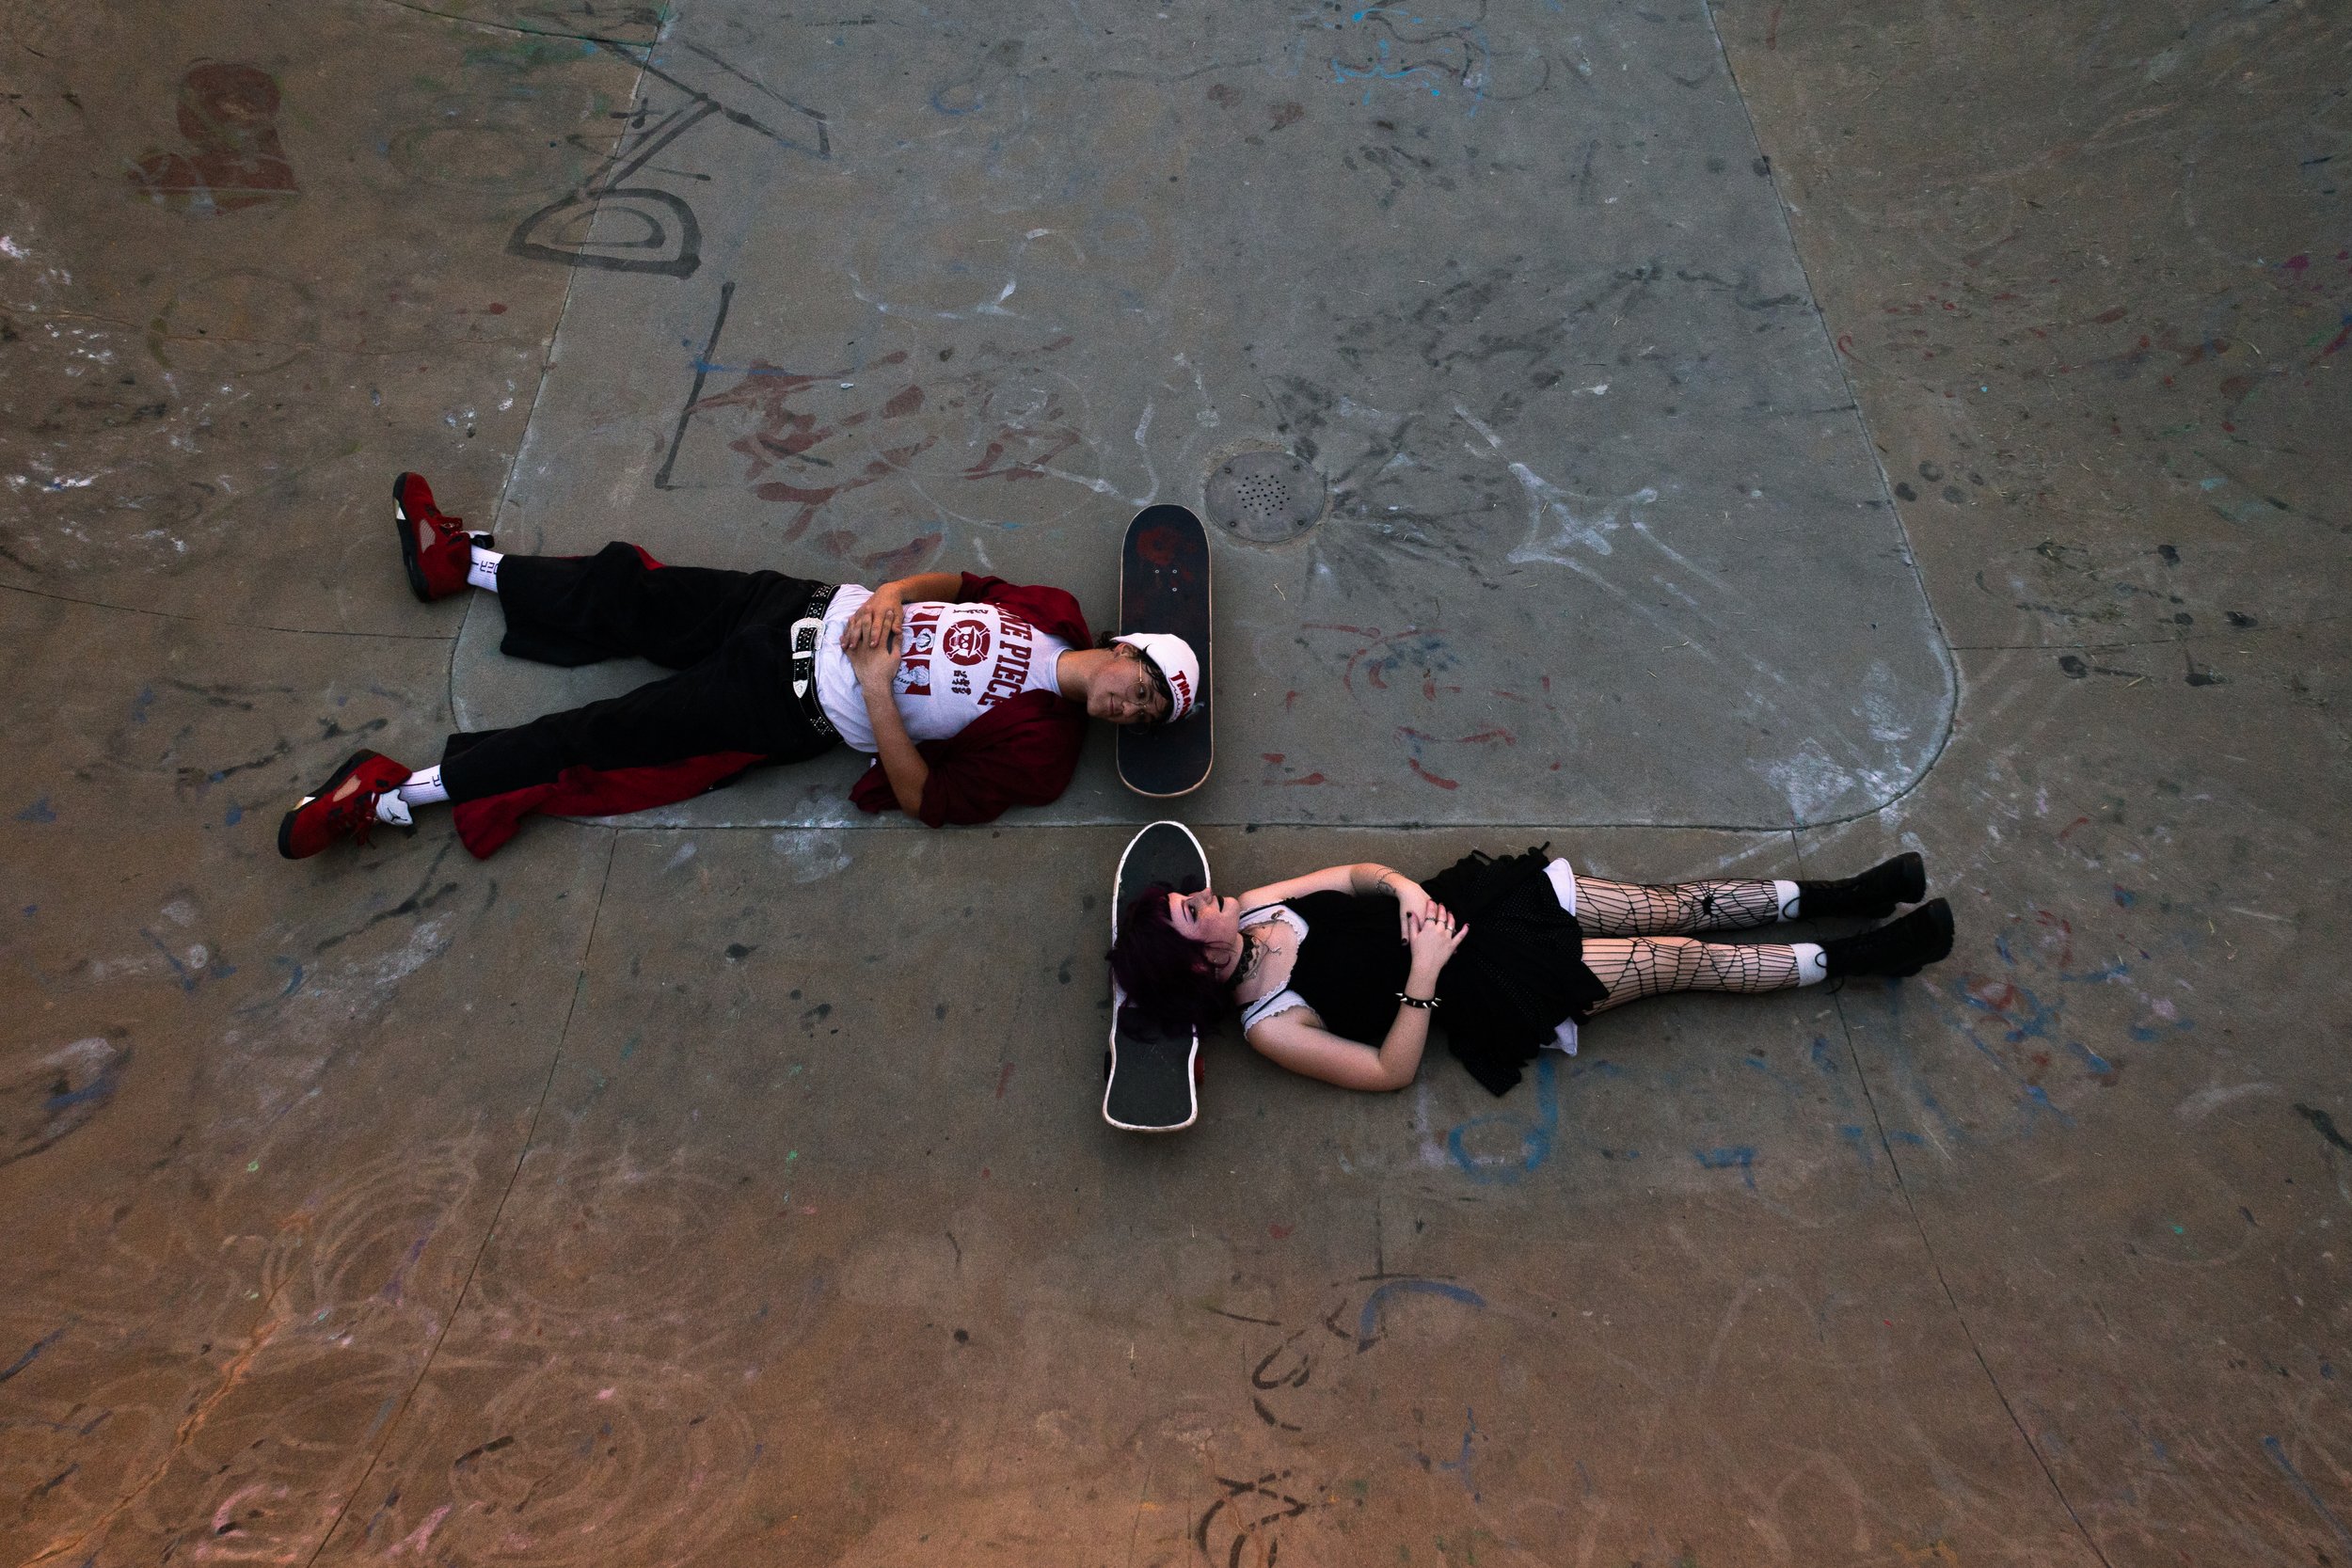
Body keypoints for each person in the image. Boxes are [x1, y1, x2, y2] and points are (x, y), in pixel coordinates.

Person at [278, 474, 1200, 859]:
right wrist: (890, 592)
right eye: (1147, 688)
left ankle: (397, 790)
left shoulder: (1042, 755)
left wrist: (878, 691)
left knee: (598, 737)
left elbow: (928, 802)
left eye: (1147, 718)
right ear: (1128, 650)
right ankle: (465, 565)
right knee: (627, 592)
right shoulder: (1053, 611)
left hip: (780, 699)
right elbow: (961, 578)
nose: (1134, 708)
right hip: (792, 604)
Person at [1108, 847, 1953, 1095]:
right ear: (1194, 959)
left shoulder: (1257, 903)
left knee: (1666, 902)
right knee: (1679, 961)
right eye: (1191, 911)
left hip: (1482, 905)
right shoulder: (1271, 1025)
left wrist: (1403, 889)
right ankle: (1864, 956)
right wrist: (1426, 973)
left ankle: (1844, 893)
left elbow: (1356, 875)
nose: (1204, 895)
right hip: (1486, 986)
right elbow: (1388, 1069)